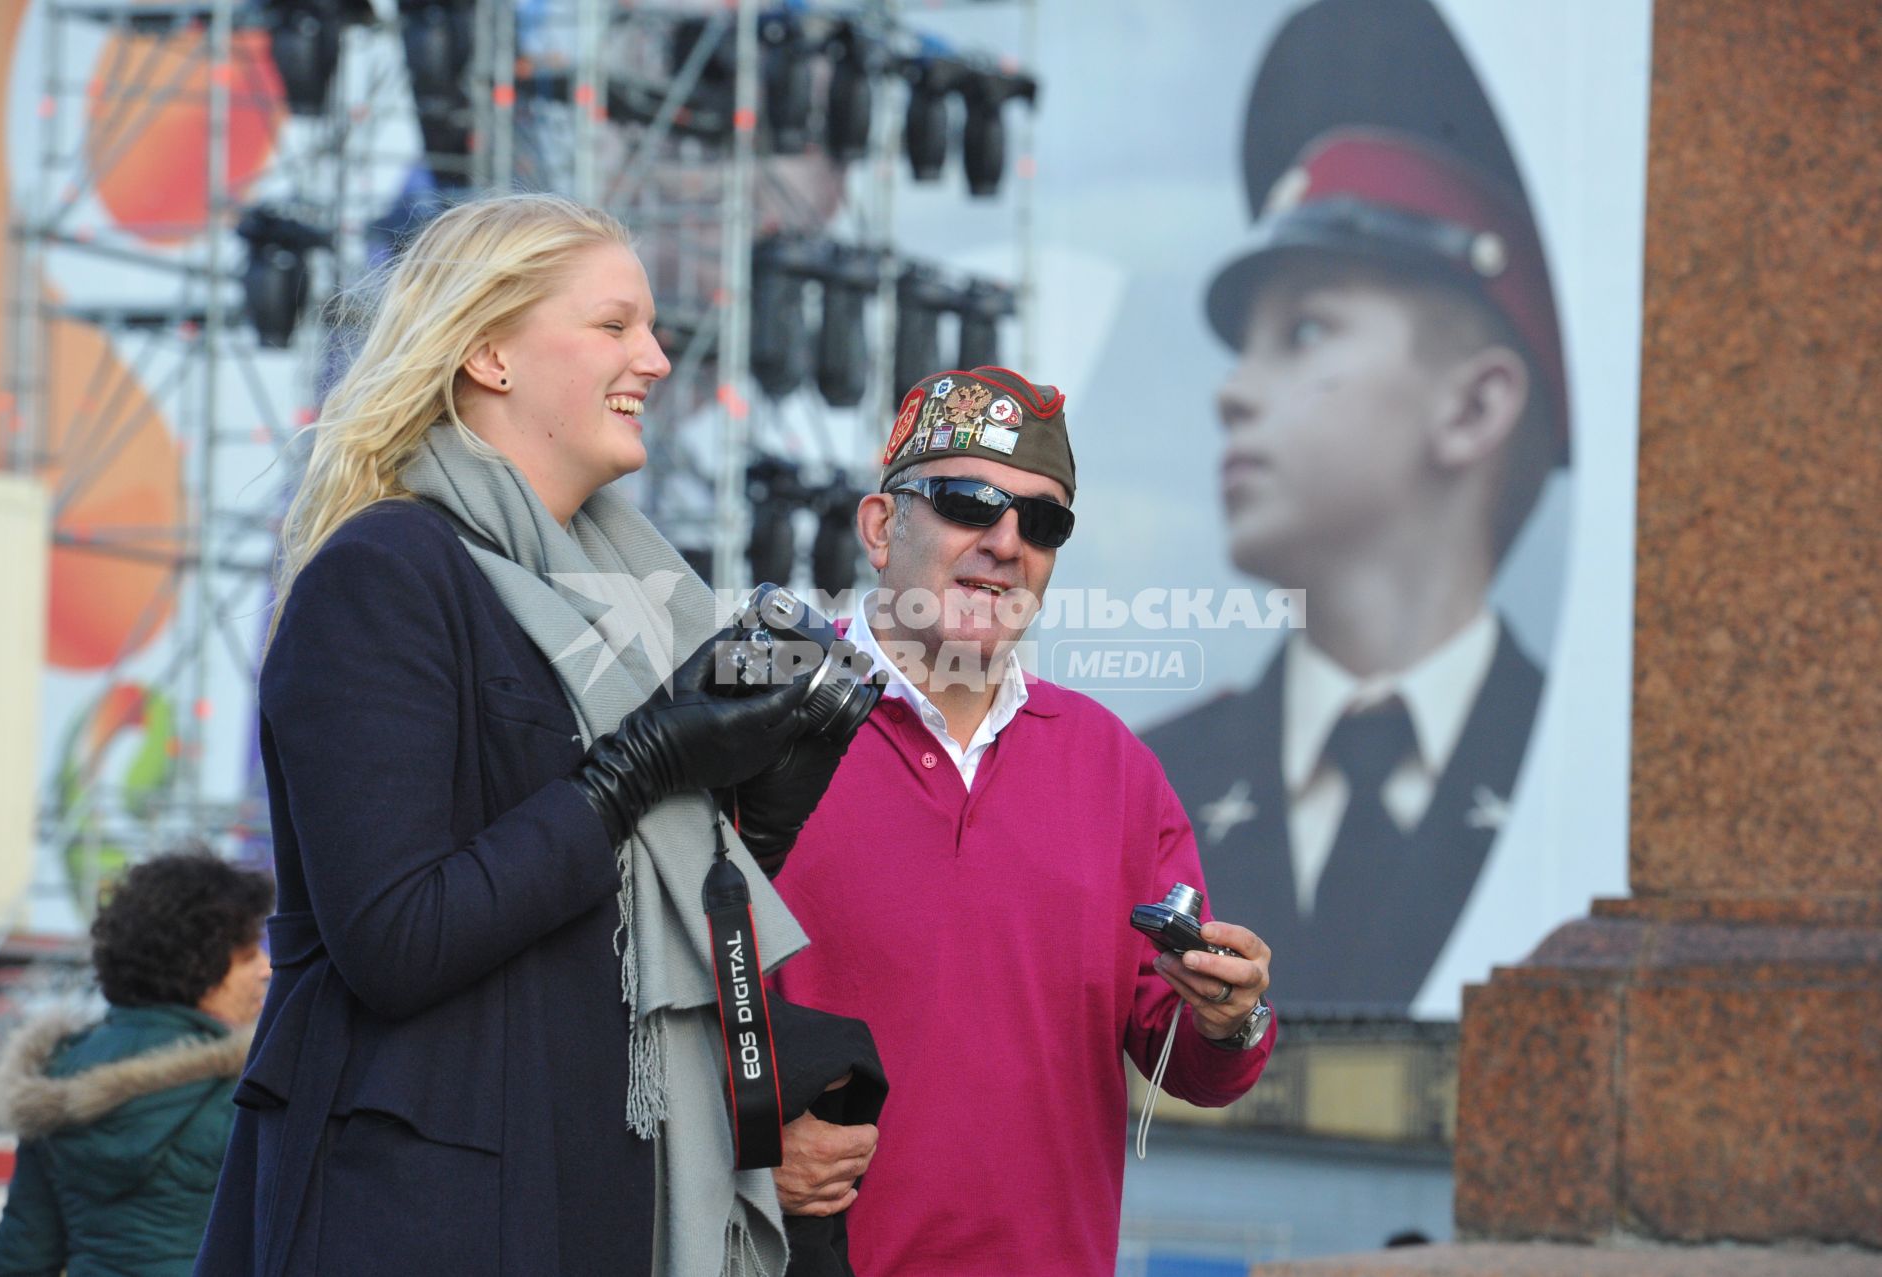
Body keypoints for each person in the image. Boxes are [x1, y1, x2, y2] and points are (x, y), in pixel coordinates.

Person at [195, 193, 870, 1277]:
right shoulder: (384, 573)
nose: (654, 357)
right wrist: (639, 765)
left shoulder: (633, 601)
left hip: (593, 1181)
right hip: (425, 1211)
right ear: (488, 354)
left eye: (648, 326)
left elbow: (613, 917)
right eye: (613, 325)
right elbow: (398, 937)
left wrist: (753, 816)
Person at [770, 366, 1278, 1277]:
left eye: (1041, 522)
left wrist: (1227, 1017)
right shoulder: (750, 728)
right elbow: (631, 1010)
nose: (1005, 541)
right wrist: (745, 1144)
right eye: (969, 502)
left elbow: (1186, 1060)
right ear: (882, 527)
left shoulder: (1112, 765)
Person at [1142, 110, 1569, 1012]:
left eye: (1303, 332)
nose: (1230, 391)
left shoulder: (1579, 782)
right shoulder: (1151, 789)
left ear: (1473, 407)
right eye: (1244, 344)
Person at [0, 851, 274, 1277]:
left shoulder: (56, 1076)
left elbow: (19, 1262)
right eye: (248, 955)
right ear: (201, 963)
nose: (267, 967)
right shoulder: (251, 1087)